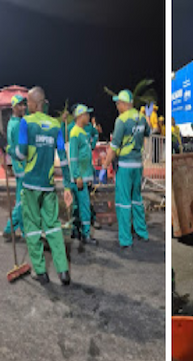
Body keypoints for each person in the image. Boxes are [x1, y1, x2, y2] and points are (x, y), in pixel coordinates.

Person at [17, 86, 72, 285]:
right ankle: (63, 271)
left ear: (35, 103)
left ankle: (41, 272)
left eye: (28, 102)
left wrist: (11, 151)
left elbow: (22, 153)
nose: (26, 105)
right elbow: (63, 158)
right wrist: (67, 186)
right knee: (53, 227)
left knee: (32, 228)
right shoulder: (55, 125)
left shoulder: (26, 123)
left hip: (31, 184)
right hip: (48, 186)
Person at [99, 90, 150, 250]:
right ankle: (142, 233)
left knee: (123, 203)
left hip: (125, 166)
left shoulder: (121, 121)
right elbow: (148, 132)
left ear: (124, 104)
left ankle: (126, 239)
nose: (117, 105)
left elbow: (113, 148)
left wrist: (105, 166)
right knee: (137, 199)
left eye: (118, 103)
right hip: (138, 165)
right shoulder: (141, 118)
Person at [69, 104, 99, 245]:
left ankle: (76, 231)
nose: (89, 117)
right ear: (81, 116)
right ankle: (86, 235)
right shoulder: (75, 133)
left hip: (83, 176)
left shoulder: (82, 132)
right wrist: (77, 176)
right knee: (85, 206)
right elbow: (73, 157)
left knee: (78, 206)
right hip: (79, 177)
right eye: (87, 114)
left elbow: (86, 155)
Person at [2, 95, 27, 241]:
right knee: (23, 201)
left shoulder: (12, 122)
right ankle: (9, 228)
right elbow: (21, 149)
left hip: (18, 166)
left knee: (20, 199)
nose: (23, 107)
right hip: (22, 166)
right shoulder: (17, 125)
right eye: (19, 105)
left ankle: (24, 231)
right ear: (13, 107)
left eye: (24, 104)